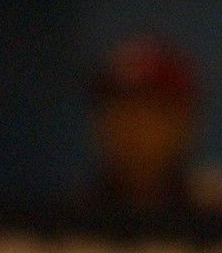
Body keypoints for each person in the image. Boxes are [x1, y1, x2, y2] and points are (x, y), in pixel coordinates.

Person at [80, 35, 203, 215]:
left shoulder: (219, 216)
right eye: (121, 111)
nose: (135, 128)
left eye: (153, 111)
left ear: (184, 124)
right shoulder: (62, 221)